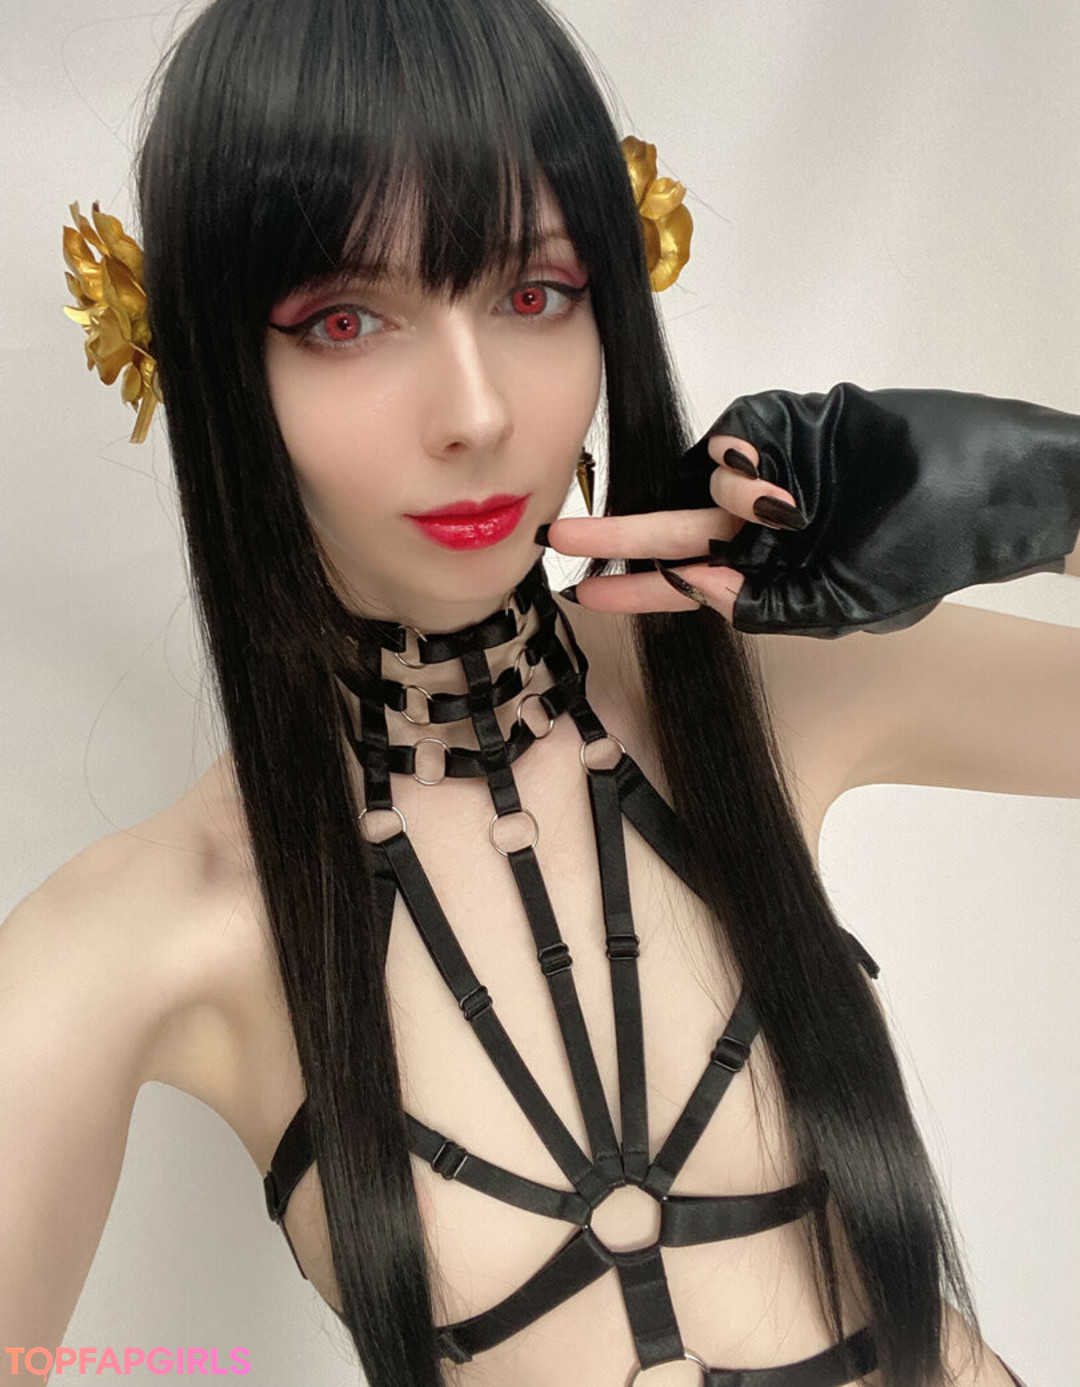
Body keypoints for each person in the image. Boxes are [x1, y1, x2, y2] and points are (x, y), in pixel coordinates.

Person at [3, 0, 1078, 1384]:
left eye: (533, 294)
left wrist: (1042, 494)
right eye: (345, 319)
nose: (478, 412)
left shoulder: (749, 682)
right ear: (213, 367)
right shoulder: (136, 937)